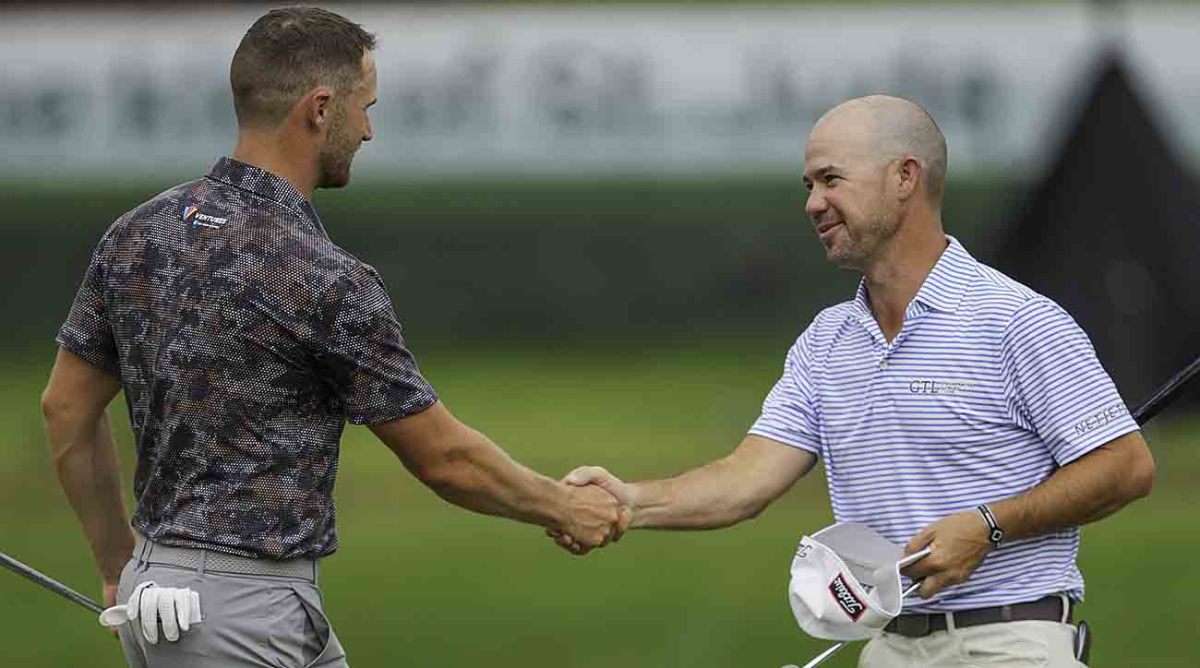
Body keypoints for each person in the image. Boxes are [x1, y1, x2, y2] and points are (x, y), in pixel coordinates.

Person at [41, 7, 624, 667]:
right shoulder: (321, 276)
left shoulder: (135, 233)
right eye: (363, 106)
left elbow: (64, 409)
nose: (369, 129)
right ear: (319, 109)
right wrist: (563, 508)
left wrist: (122, 566)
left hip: (172, 601)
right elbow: (445, 459)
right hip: (244, 620)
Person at [554, 95, 1155, 667]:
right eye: (809, 185)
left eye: (830, 179)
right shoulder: (827, 341)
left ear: (905, 177)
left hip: (1009, 644)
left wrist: (989, 526)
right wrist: (631, 502)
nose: (813, 203)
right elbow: (744, 481)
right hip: (888, 647)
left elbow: (1125, 466)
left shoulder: (1015, 322)